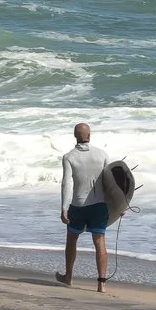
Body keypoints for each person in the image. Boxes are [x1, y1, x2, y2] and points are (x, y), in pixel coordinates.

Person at [55, 122, 112, 290]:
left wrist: (64, 208)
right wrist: (120, 206)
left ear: (75, 136)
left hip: (78, 206)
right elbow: (111, 184)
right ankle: (101, 284)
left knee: (72, 240)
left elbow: (66, 184)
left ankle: (69, 277)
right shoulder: (102, 154)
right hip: (99, 206)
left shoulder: (69, 157)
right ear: (90, 135)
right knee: (99, 242)